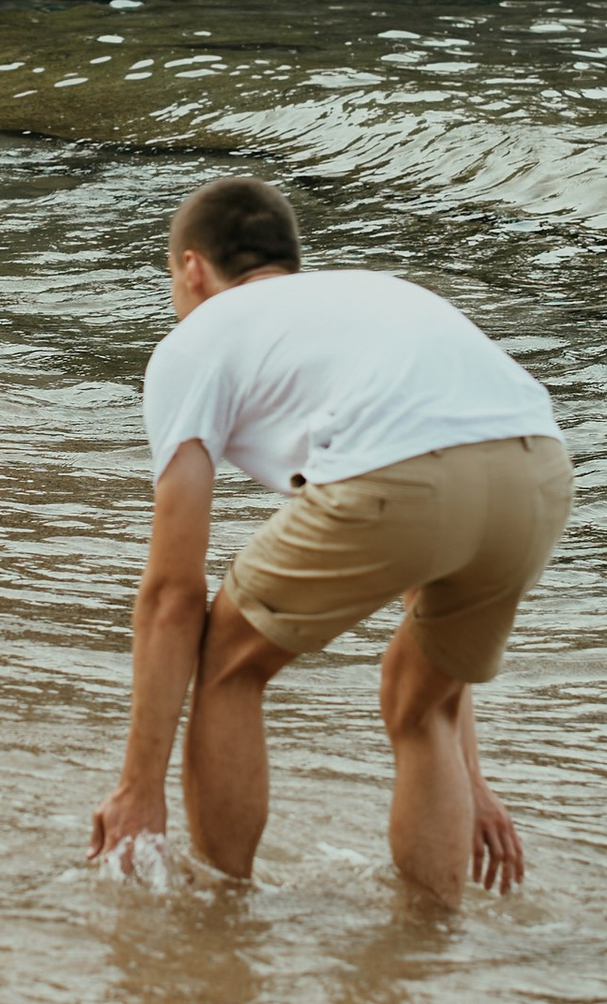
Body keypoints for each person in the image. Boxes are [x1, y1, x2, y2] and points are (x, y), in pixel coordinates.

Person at [90, 174, 570, 902]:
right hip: (539, 471)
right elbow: (426, 576)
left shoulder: (197, 342)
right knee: (422, 699)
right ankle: (423, 947)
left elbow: (172, 594)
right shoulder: (369, 303)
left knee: (226, 657)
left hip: (407, 472)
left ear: (191, 268)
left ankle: (222, 914)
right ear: (290, 260)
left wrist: (138, 789)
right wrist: (474, 782)